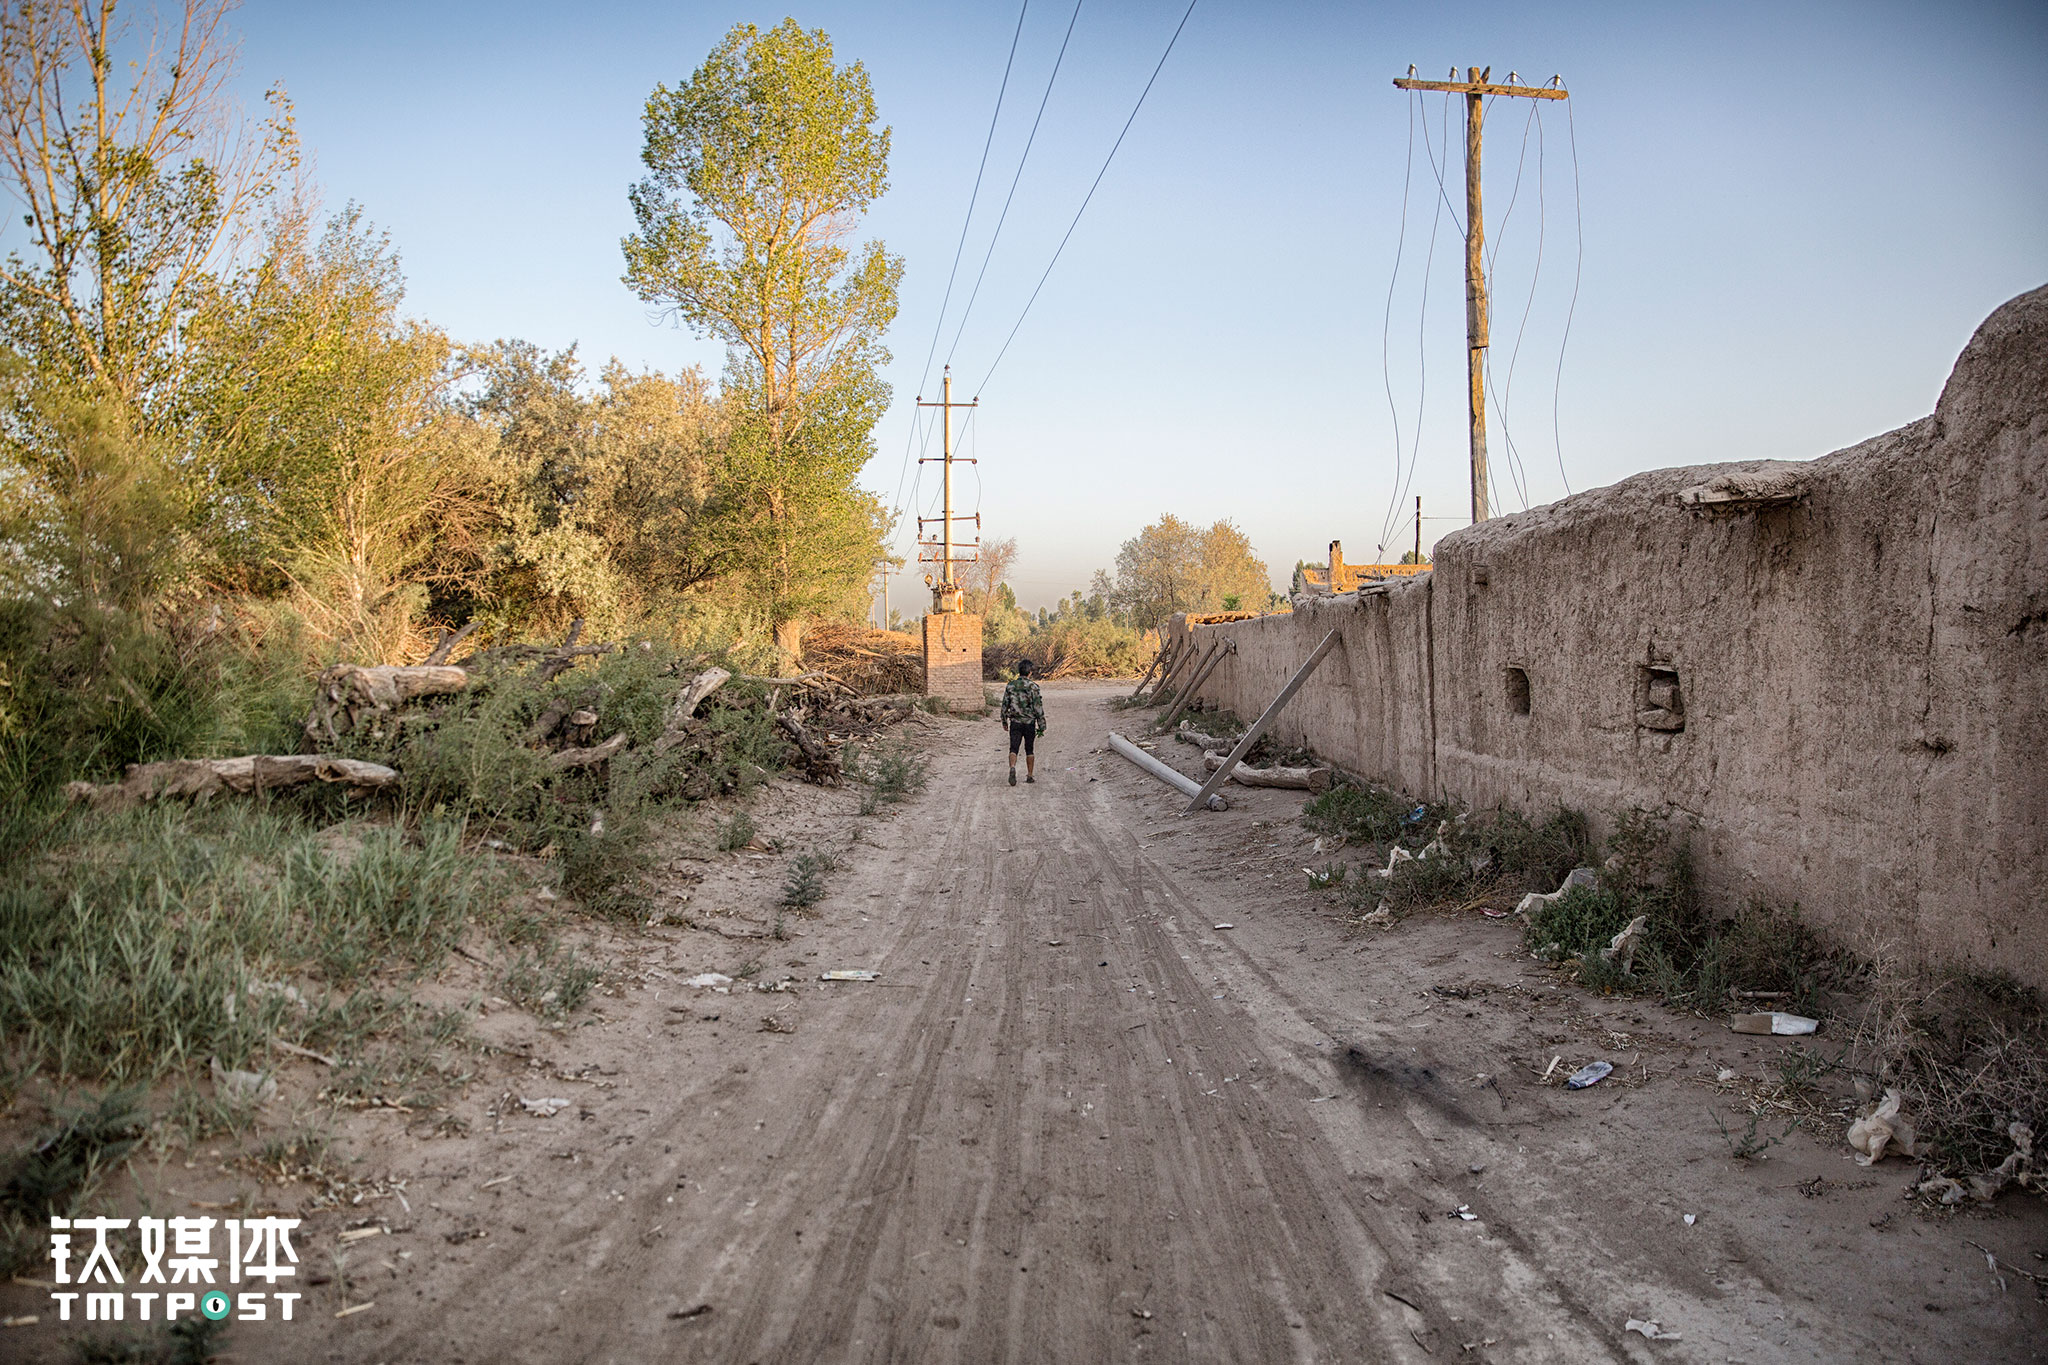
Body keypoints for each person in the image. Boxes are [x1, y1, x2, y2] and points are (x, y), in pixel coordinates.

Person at [1000, 659, 1046, 785]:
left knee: (1013, 748)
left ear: (1019, 671)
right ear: (1030, 672)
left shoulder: (1010, 686)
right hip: (1029, 722)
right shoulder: (1034, 687)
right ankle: (1030, 775)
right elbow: (1038, 707)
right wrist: (1042, 724)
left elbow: (1005, 704)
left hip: (1015, 721)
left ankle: (1012, 767)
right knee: (1029, 749)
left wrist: (1004, 720)